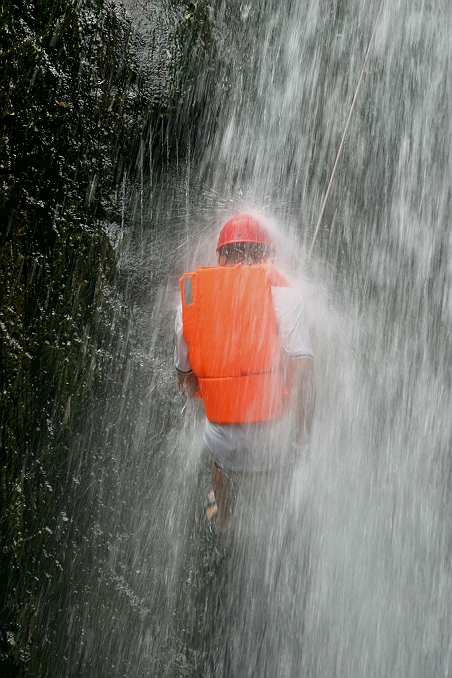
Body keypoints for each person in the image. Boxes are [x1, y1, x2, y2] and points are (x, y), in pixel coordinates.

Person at [174, 214, 315, 533]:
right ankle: (282, 522)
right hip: (274, 442)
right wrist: (301, 438)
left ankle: (225, 520)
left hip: (224, 444)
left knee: (218, 455)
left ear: (221, 258)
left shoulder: (187, 307)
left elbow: (185, 384)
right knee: (287, 447)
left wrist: (218, 384)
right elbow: (305, 377)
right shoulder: (289, 300)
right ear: (266, 258)